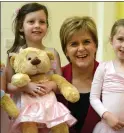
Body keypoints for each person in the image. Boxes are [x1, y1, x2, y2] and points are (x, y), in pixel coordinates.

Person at [6, 3, 76, 133]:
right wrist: (25, 87)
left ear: (47, 27)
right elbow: (7, 86)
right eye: (31, 21)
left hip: (48, 112)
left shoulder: (52, 53)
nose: (37, 25)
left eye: (42, 22)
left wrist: (52, 85)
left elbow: (60, 83)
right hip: (25, 113)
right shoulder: (14, 55)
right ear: (21, 26)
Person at [90, 18, 124, 133]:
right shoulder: (103, 68)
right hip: (107, 128)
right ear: (111, 40)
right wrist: (106, 115)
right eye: (120, 39)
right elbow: (94, 97)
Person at [58, 16, 101, 133]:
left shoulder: (110, 75)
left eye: (86, 42)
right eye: (74, 44)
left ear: (95, 46)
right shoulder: (56, 78)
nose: (81, 48)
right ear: (66, 51)